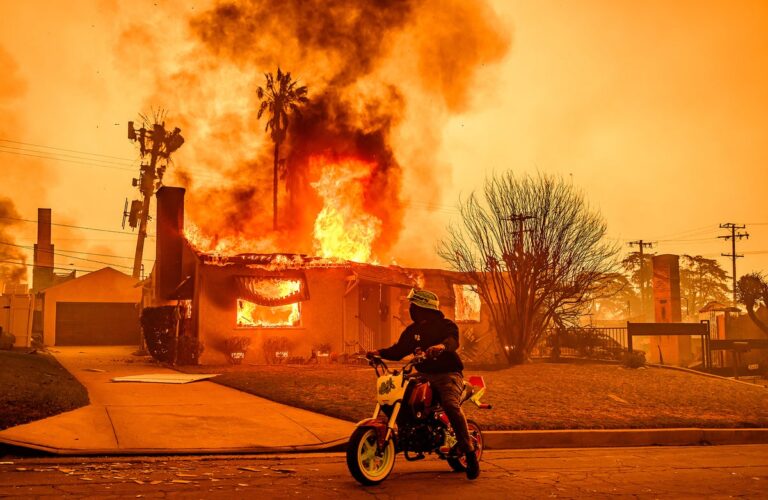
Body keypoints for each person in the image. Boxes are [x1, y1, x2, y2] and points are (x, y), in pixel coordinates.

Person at [367, 288, 480, 480]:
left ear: (423, 307)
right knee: (399, 396)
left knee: (451, 406)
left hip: (448, 374)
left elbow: (453, 341)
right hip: (424, 374)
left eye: (413, 305)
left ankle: (469, 451)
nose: (410, 308)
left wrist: (442, 347)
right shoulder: (412, 331)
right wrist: (378, 353)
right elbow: (399, 350)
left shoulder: (446, 325)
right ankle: (408, 433)